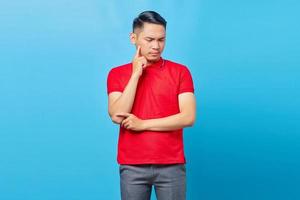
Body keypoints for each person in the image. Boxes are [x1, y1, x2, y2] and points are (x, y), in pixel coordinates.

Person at [107, 10, 196, 200]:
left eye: (161, 40)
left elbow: (188, 117)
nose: (156, 46)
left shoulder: (181, 72)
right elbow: (117, 115)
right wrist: (135, 74)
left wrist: (143, 124)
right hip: (132, 166)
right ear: (134, 38)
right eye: (149, 39)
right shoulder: (117, 74)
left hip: (171, 164)